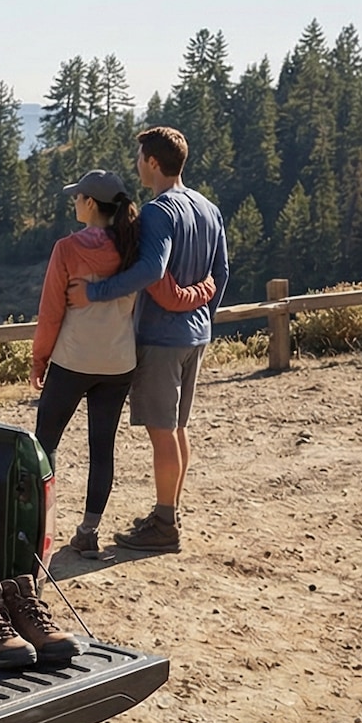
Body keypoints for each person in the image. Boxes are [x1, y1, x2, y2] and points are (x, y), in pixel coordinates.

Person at [33, 169, 218, 558]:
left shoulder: (67, 249)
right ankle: (88, 532)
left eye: (77, 196)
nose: (74, 202)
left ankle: (38, 528)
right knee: (102, 448)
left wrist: (39, 358)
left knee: (45, 443)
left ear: (89, 204)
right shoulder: (133, 247)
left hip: (73, 358)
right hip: (118, 363)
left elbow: (51, 312)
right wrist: (205, 290)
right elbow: (166, 289)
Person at [70, 127, 229, 552]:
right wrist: (201, 319)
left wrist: (95, 292)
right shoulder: (208, 208)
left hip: (160, 336)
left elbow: (152, 271)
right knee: (177, 429)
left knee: (161, 431)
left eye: (140, 157)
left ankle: (164, 526)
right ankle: (167, 512)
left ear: (153, 163)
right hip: (195, 335)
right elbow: (223, 272)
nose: (137, 163)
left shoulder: (159, 212)